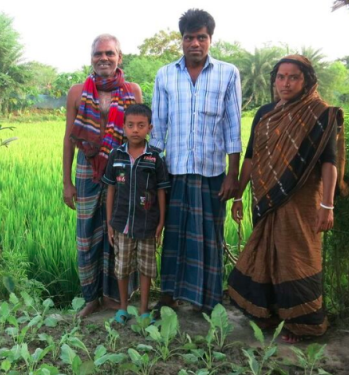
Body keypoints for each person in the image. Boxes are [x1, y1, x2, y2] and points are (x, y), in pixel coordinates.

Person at [228, 55, 345, 343]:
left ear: (307, 81)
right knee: (266, 252)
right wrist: (239, 195)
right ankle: (267, 313)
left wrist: (327, 205)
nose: (286, 83)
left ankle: (302, 324)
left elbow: (329, 162)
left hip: (303, 200)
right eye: (280, 77)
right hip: (265, 196)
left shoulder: (320, 114)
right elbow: (252, 157)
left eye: (293, 77)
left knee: (297, 256)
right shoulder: (265, 113)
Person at [150, 9, 242, 313]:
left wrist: (233, 175)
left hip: (212, 172)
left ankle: (207, 299)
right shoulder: (165, 74)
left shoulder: (228, 73)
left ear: (210, 39)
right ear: (182, 40)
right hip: (174, 171)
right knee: (174, 234)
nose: (195, 43)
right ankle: (169, 294)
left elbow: (232, 126)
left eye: (201, 37)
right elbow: (158, 127)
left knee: (208, 236)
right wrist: (152, 174)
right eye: (189, 37)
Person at [63, 34, 143, 317]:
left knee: (120, 232)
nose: (104, 58)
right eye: (98, 54)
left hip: (122, 170)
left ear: (119, 57)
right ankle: (91, 297)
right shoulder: (77, 92)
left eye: (110, 53)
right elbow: (69, 138)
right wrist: (67, 182)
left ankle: (116, 297)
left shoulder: (132, 90)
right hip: (87, 169)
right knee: (87, 235)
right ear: (91, 58)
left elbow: (140, 135)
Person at [102, 104, 170, 322]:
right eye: (130, 125)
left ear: (149, 128)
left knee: (146, 268)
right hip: (121, 224)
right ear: (123, 128)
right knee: (121, 268)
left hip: (147, 224)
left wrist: (161, 222)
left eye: (141, 125)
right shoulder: (116, 154)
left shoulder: (155, 157)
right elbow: (110, 189)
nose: (135, 130)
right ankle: (123, 307)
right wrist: (110, 221)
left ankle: (143, 309)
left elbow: (161, 191)